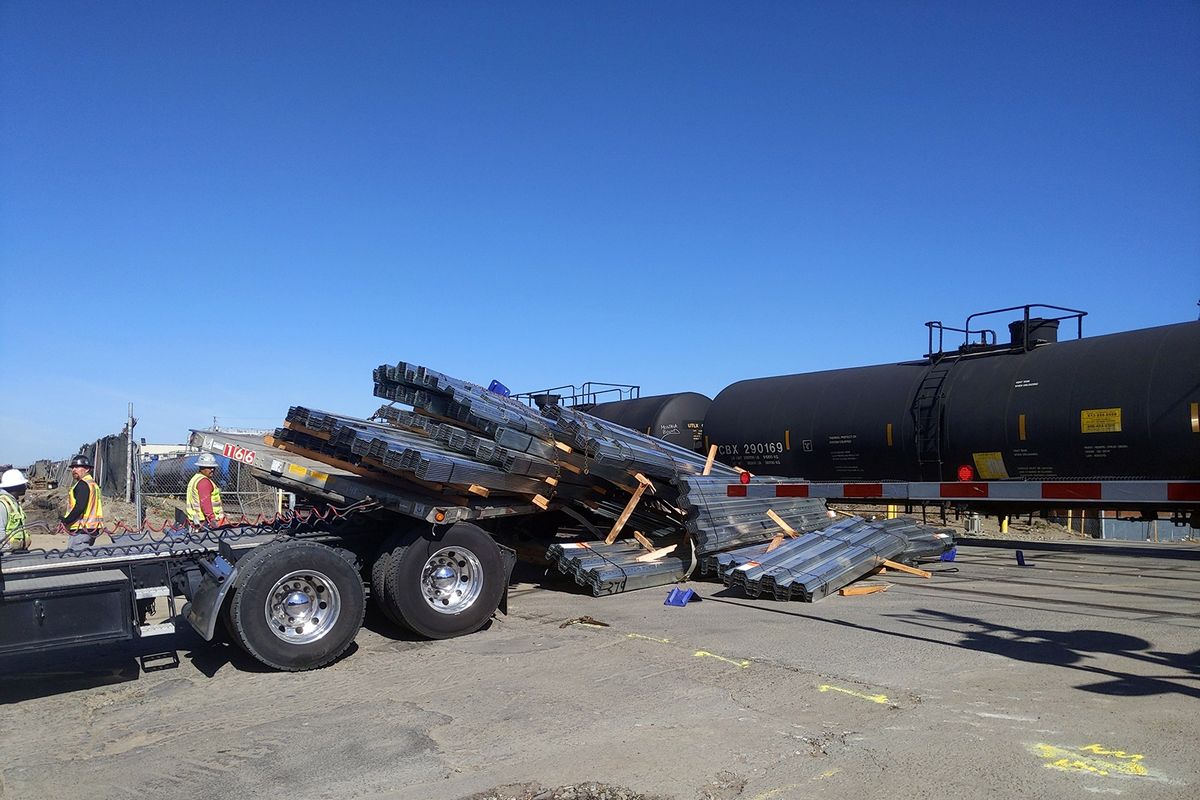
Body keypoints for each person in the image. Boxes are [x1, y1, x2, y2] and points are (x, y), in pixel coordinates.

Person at [62, 454, 104, 549]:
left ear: (87, 469)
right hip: (91, 527)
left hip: (82, 529)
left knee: (75, 557)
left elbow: (80, 507)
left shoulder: (83, 485)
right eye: (73, 467)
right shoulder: (93, 484)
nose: (74, 470)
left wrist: (66, 520)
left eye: (77, 467)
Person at [186, 452, 225, 527]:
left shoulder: (195, 478)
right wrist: (212, 519)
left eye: (213, 467)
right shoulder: (204, 482)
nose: (212, 469)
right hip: (205, 521)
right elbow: (205, 502)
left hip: (196, 519)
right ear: (202, 468)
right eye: (209, 467)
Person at [0, 468, 30, 552]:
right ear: (16, 486)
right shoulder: (2, 504)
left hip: (19, 552)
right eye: (22, 484)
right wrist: (6, 550)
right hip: (9, 555)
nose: (25, 487)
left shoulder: (14, 503)